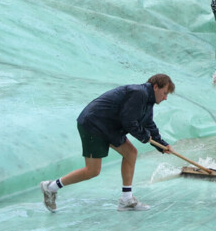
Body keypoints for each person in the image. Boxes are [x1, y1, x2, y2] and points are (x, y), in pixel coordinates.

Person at [38, 74, 174, 213]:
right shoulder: (139, 94)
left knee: (131, 153)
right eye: (164, 93)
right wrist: (144, 137)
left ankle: (126, 200)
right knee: (92, 171)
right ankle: (50, 187)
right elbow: (128, 121)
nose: (165, 98)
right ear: (155, 87)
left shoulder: (147, 101)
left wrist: (161, 145)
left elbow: (148, 124)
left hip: (109, 128)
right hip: (93, 125)